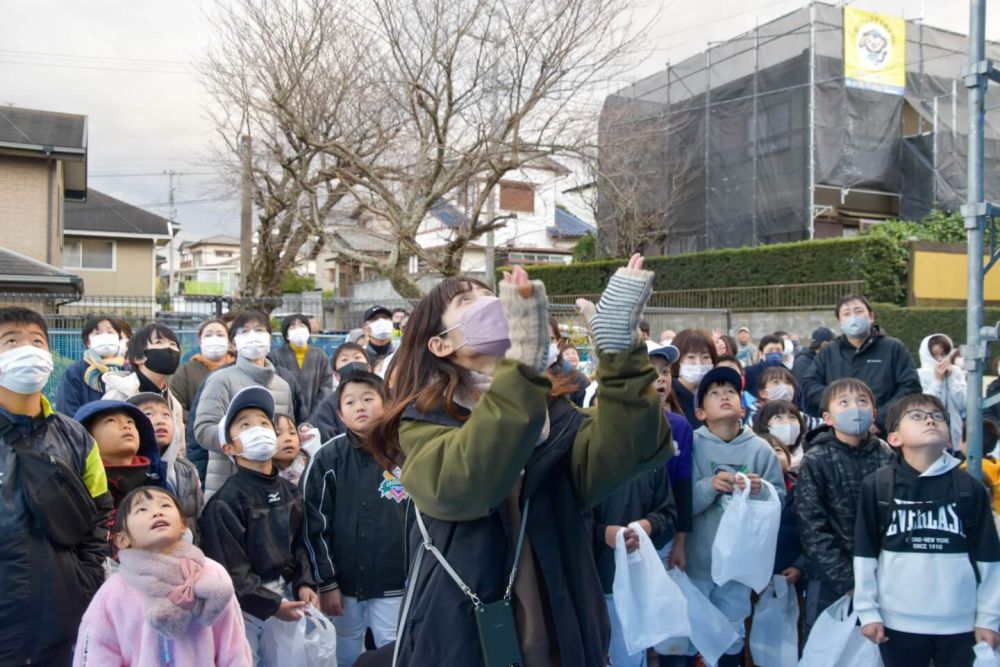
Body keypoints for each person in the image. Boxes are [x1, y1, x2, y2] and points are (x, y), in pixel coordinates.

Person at [367, 256, 672, 665]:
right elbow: (465, 483)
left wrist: (620, 352)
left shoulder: (556, 417)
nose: (491, 304)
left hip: (562, 630)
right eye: (467, 301)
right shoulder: (423, 425)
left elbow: (633, 446)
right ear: (440, 344)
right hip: (461, 638)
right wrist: (523, 368)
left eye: (494, 296)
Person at [0, 307, 113, 665]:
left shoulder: (76, 435)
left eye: (36, 340)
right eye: (11, 341)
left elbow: (100, 512)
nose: (27, 348)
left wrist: (85, 577)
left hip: (64, 613)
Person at [855, 394, 1000, 666]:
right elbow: (865, 554)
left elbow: (990, 559)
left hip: (961, 622)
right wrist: (869, 612)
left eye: (937, 416)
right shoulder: (878, 486)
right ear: (894, 437)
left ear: (949, 437)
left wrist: (988, 618)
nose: (930, 420)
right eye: (917, 416)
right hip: (897, 622)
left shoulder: (971, 489)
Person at [199, 386, 319, 662]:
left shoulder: (290, 491)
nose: (259, 429)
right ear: (229, 447)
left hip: (288, 598)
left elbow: (301, 543)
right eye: (245, 425)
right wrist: (272, 604)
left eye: (265, 423)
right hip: (246, 607)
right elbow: (232, 570)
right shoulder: (224, 502)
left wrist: (304, 582)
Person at [73, 487, 252, 666]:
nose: (157, 512)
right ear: (121, 539)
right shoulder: (114, 591)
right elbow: (98, 653)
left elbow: (233, 645)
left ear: (183, 526)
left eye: (165, 505)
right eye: (142, 509)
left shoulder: (212, 573)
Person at [301, 369, 408, 667]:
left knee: (395, 650)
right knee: (344, 651)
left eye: (368, 398)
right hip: (344, 586)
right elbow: (316, 525)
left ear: (386, 404)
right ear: (340, 414)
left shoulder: (406, 452)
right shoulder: (328, 458)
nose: (359, 406)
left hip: (395, 580)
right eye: (350, 402)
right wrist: (327, 583)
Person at [687, 366, 785, 666]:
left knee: (731, 633)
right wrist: (707, 488)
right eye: (714, 394)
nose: (724, 397)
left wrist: (761, 491)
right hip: (696, 562)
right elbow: (678, 503)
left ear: (742, 407)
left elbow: (779, 499)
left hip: (739, 565)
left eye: (730, 391)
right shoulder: (691, 445)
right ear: (701, 412)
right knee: (692, 634)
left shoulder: (760, 450)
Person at [794, 377, 893, 633]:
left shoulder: (887, 455)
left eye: (862, 401)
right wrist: (846, 579)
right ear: (828, 417)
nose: (854, 408)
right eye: (844, 403)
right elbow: (811, 525)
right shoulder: (816, 459)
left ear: (873, 413)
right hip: (830, 579)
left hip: (885, 575)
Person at [193, 311, 294, 500]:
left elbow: (286, 430)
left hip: (271, 487)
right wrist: (239, 442)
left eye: (259, 330)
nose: (253, 336)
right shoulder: (220, 379)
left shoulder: (283, 386)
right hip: (228, 485)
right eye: (244, 331)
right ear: (233, 343)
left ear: (270, 338)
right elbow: (202, 429)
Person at [593, 466, 676, 667]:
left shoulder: (652, 459)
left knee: (627, 659)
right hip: (584, 589)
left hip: (631, 590)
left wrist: (650, 525)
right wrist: (602, 534)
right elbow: (560, 522)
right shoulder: (576, 450)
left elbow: (669, 516)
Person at [803, 294, 922, 433]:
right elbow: (810, 384)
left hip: (883, 431)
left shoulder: (893, 348)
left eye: (858, 311)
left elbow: (910, 387)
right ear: (840, 321)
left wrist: (877, 418)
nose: (853, 317)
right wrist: (839, 408)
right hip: (839, 432)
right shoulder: (828, 352)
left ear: (871, 316)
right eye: (846, 314)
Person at [74, 399, 170, 527]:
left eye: (131, 422)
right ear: (86, 436)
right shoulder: (79, 486)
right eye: (111, 420)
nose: (126, 426)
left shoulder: (156, 480)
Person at [102, 323, 187, 456]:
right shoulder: (119, 395)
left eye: (173, 344)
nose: (170, 349)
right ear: (138, 357)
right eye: (159, 342)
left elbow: (178, 450)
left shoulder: (174, 404)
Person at [128, 392, 203, 526]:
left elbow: (198, 520)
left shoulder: (187, 469)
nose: (160, 421)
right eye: (148, 414)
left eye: (166, 415)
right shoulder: (129, 471)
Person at [649, 344, 693, 572]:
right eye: (650, 371)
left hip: (662, 538)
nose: (661, 378)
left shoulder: (680, 426)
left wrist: (680, 542)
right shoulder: (613, 427)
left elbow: (683, 487)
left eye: (665, 371)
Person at [56, 315, 125, 416]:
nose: (105, 336)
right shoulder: (76, 371)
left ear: (118, 339)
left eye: (110, 332)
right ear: (88, 342)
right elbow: (67, 411)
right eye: (98, 333)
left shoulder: (128, 369)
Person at [270, 313, 333, 418]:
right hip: (286, 416)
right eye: (293, 327)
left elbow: (326, 387)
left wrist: (316, 415)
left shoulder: (320, 355)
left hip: (316, 416)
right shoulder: (276, 356)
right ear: (286, 334)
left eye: (302, 326)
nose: (298, 329)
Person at [170, 319, 234, 420]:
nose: (214, 339)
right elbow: (174, 405)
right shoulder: (186, 371)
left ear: (228, 340)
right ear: (200, 340)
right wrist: (197, 421)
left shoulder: (237, 367)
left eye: (220, 335)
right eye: (208, 335)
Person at [310, 342, 373, 443]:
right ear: (336, 375)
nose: (352, 363)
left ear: (369, 368)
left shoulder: (383, 396)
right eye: (344, 360)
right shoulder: (328, 405)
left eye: (357, 357)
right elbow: (328, 443)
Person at [917, 333, 967, 449]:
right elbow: (925, 406)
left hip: (955, 435)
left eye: (944, 354)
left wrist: (951, 379)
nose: (940, 359)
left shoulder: (956, 372)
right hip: (929, 434)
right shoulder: (919, 374)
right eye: (935, 355)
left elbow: (963, 404)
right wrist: (938, 381)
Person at [670, 328, 719, 428]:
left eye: (705, 357)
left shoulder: (716, 392)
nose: (699, 363)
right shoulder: (668, 393)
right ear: (677, 361)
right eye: (691, 357)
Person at [753, 399, 807, 468]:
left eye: (792, 417)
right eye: (778, 418)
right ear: (765, 424)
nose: (787, 422)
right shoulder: (758, 453)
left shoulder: (808, 453)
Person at [743, 333, 785, 402]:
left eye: (778, 350)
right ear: (761, 354)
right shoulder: (748, 373)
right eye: (770, 350)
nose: (774, 353)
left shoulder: (788, 374)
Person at [273, 412, 308, 485]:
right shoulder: (265, 476)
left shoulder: (309, 467)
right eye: (277, 434)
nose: (288, 439)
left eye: (292, 433)